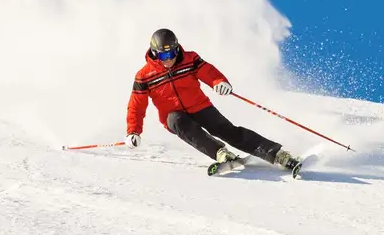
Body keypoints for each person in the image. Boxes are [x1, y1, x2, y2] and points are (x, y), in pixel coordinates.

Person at [124, 28, 300, 170]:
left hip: (200, 106)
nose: (169, 59)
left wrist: (219, 82)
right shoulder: (144, 76)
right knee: (178, 121)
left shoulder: (189, 59)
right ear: (155, 54)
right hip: (174, 116)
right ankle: (220, 153)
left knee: (228, 131)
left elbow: (208, 71)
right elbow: (136, 106)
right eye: (164, 56)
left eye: (173, 53)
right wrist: (133, 131)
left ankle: (278, 155)